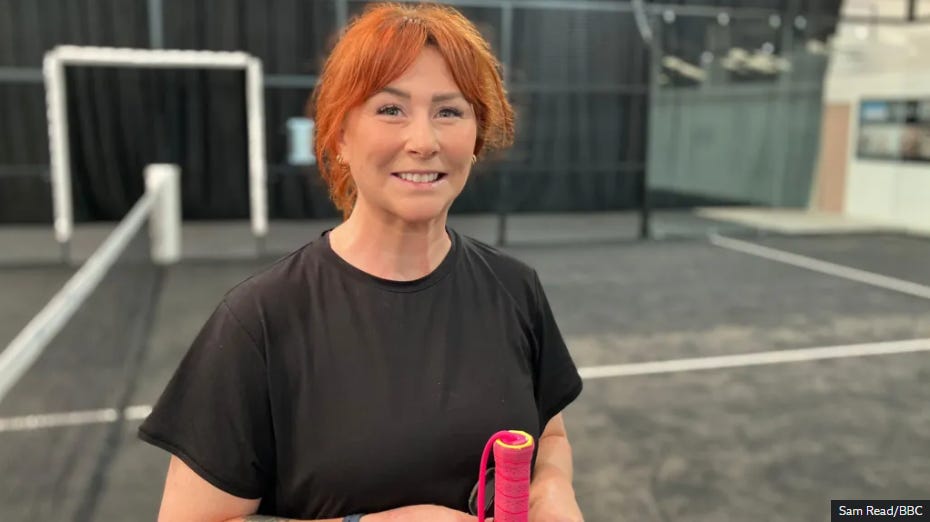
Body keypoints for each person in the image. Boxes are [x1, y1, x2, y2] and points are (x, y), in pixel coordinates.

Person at [138, 3, 584, 521]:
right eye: (390, 109)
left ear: (476, 138)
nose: (424, 142)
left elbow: (549, 435)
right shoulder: (259, 320)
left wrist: (551, 487)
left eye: (449, 111)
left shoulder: (515, 289)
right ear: (340, 137)